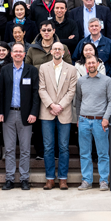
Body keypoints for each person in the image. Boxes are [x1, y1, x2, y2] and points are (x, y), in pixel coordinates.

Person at [0, 42, 39, 190]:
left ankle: (24, 179)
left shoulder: (31, 70)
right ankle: (9, 178)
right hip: (8, 114)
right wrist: (0, 111)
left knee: (25, 149)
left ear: (24, 54)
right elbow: (0, 92)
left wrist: (34, 112)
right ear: (11, 54)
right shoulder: (5, 69)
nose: (18, 54)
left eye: (21, 51)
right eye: (16, 51)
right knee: (9, 149)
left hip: (26, 114)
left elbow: (35, 93)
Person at [37, 42, 76, 189]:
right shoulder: (43, 68)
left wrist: (60, 106)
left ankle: (63, 178)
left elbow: (71, 91)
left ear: (64, 51)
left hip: (64, 112)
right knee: (48, 147)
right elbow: (41, 89)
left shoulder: (71, 69)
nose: (57, 51)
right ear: (51, 51)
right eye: (55, 49)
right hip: (47, 112)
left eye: (60, 49)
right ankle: (50, 178)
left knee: (64, 147)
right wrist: (51, 105)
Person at [75, 55, 111, 190]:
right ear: (85, 65)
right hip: (84, 120)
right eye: (89, 63)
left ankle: (103, 180)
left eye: (93, 62)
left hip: (100, 121)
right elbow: (78, 101)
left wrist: (106, 118)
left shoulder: (107, 80)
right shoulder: (81, 81)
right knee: (84, 152)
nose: (91, 65)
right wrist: (78, 118)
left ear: (98, 64)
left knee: (102, 153)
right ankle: (87, 180)